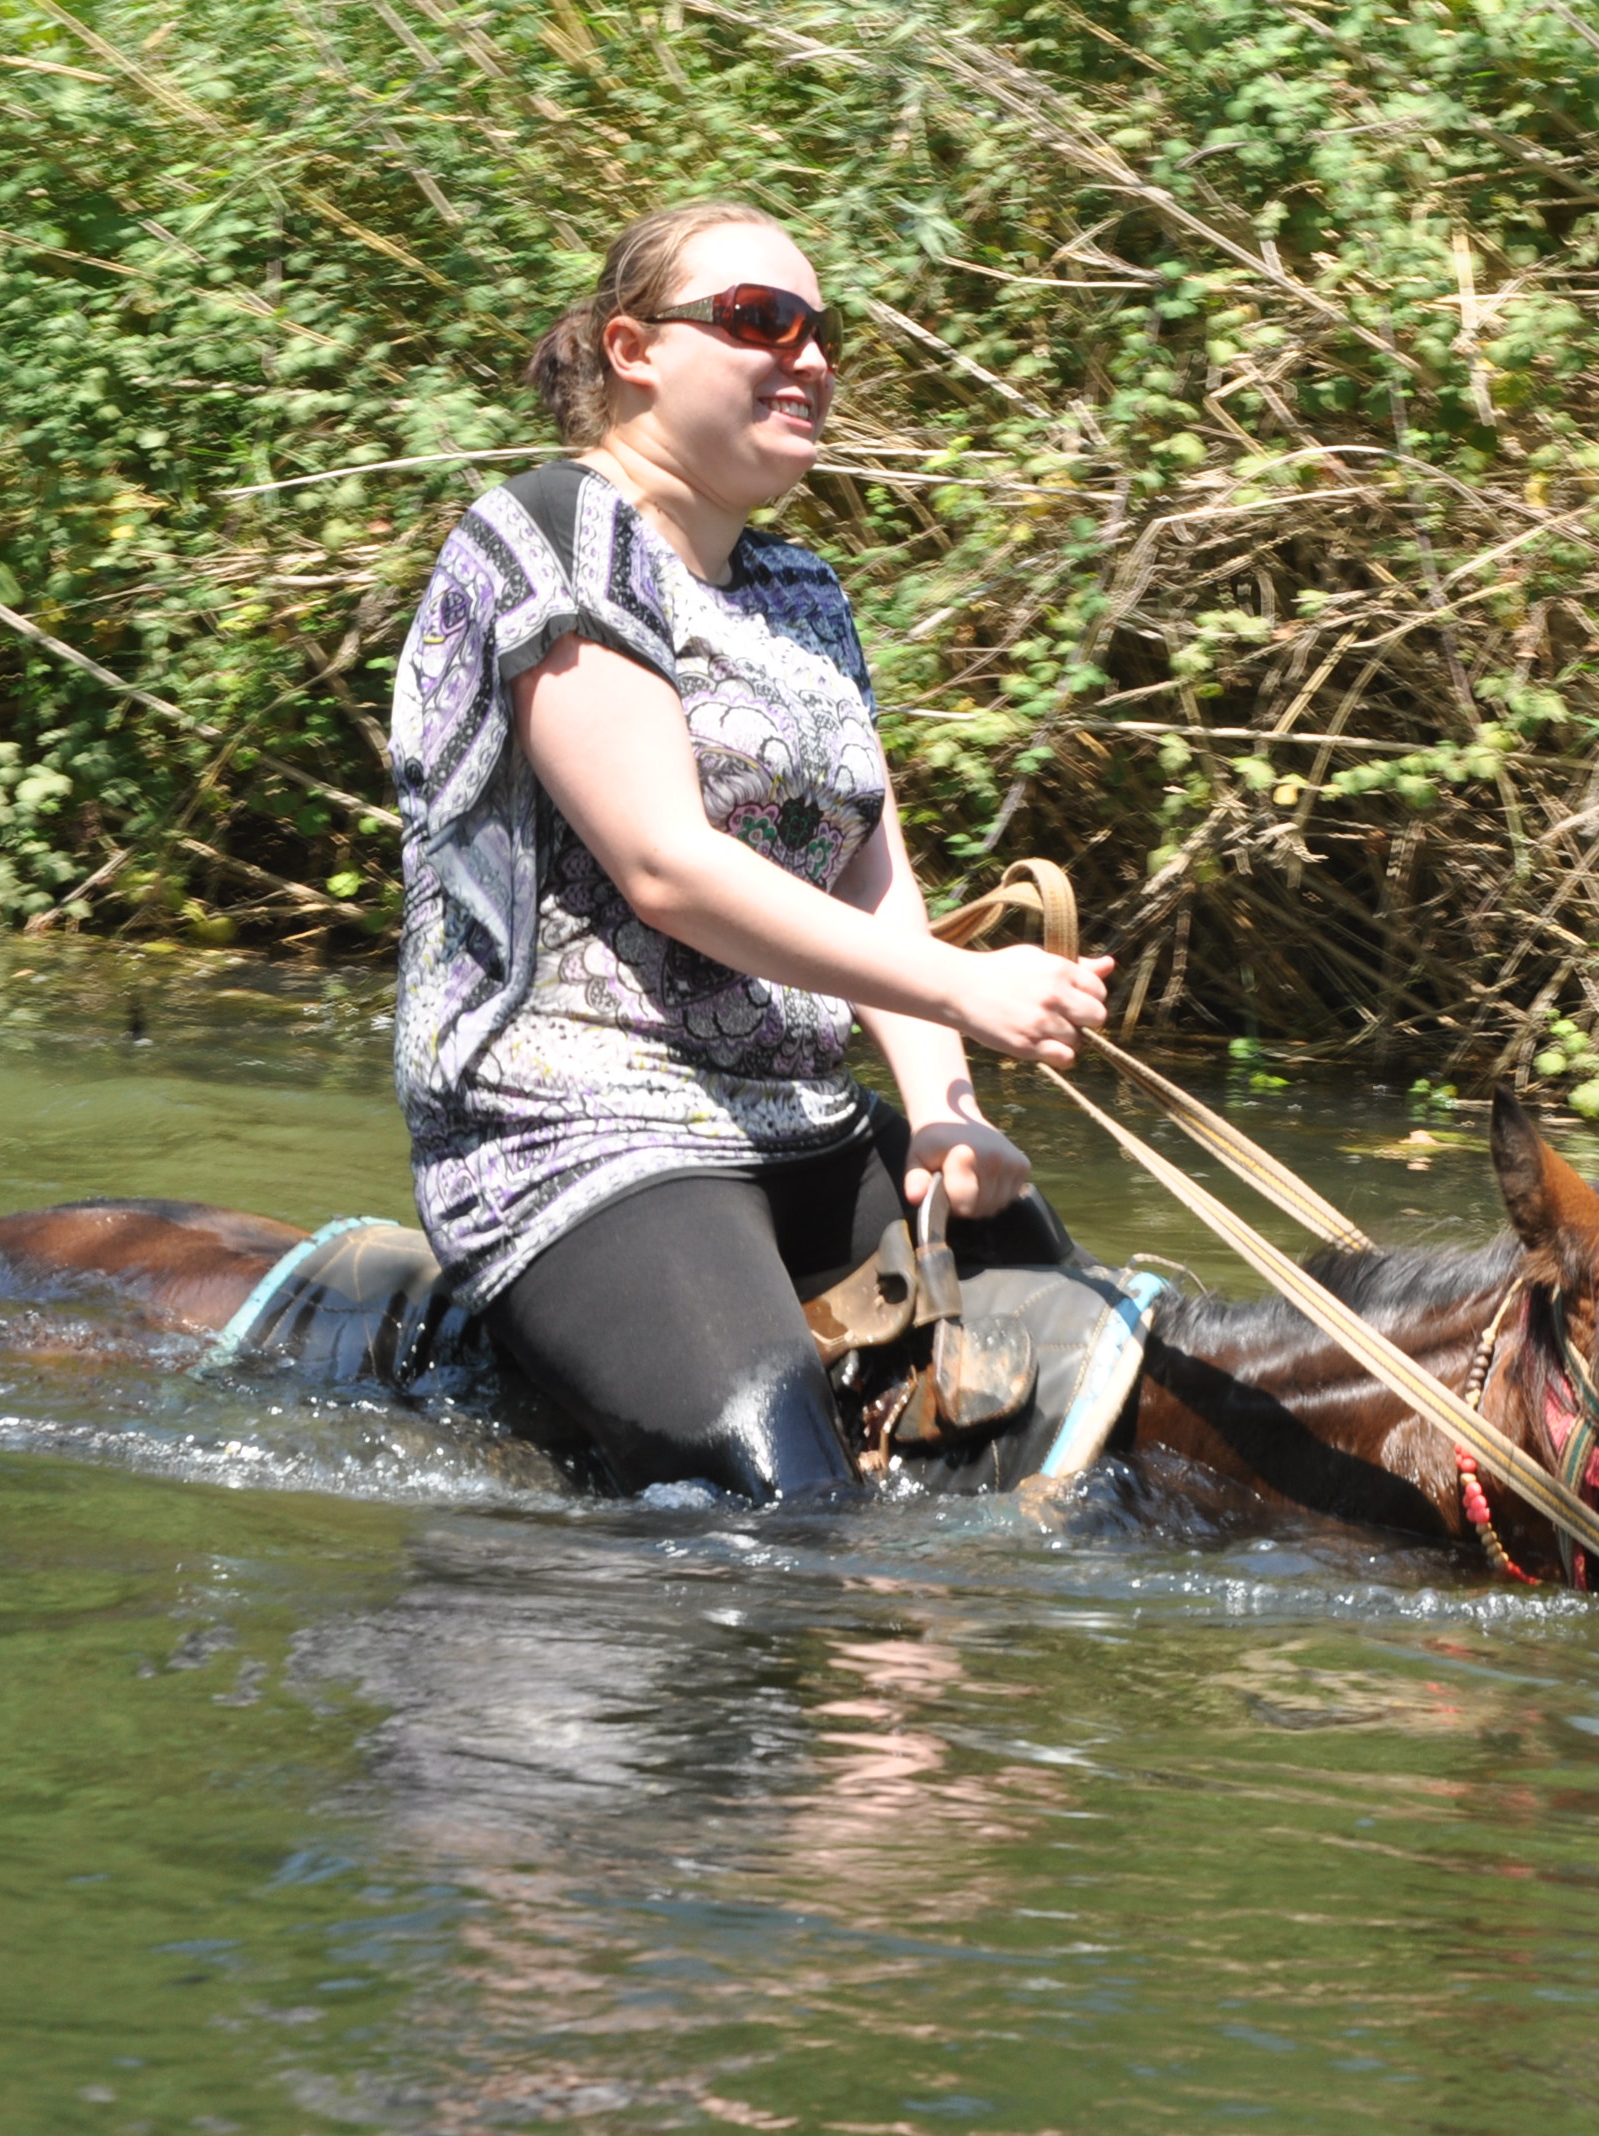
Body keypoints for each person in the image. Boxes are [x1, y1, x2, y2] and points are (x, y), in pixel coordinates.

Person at [389, 200, 1112, 1502]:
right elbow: (664, 866)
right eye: (759, 320)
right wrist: (965, 986)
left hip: (800, 1114)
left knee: (1098, 1389)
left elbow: (870, 870)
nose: (809, 356)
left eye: (823, 331)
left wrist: (944, 1106)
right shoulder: (551, 535)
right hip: (582, 1127)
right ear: (632, 349)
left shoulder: (803, 590)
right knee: (789, 1505)